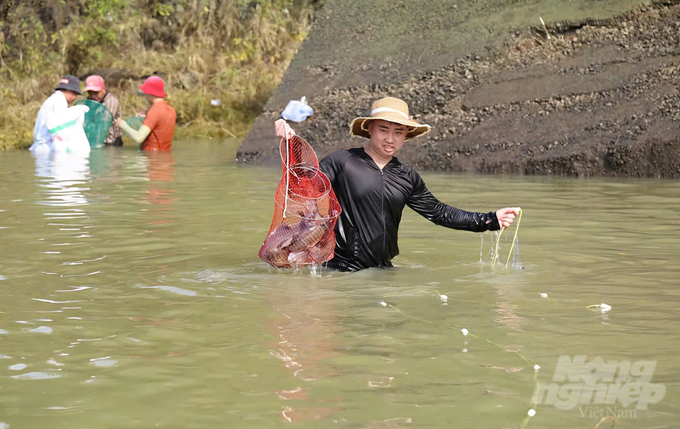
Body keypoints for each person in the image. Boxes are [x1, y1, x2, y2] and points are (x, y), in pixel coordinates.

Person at [275, 97, 519, 272]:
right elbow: (303, 185)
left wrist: (489, 220)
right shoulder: (343, 161)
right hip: (340, 271)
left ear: (406, 136)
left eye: (399, 132)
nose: (390, 139)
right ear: (369, 128)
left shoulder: (406, 176)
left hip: (383, 271)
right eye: (383, 130)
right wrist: (290, 143)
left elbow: (440, 213)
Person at [115, 76, 176, 151]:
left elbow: (139, 138)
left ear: (149, 92)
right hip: (166, 156)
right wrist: (148, 113)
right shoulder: (171, 110)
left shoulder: (154, 111)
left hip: (151, 157)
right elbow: (160, 123)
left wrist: (122, 124)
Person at [31, 75, 82, 151]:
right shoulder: (60, 102)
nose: (75, 98)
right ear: (72, 92)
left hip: (41, 146)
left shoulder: (54, 99)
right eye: (76, 95)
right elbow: (59, 129)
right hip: (47, 148)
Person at [84, 75, 123, 146]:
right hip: (95, 141)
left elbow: (103, 124)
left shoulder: (111, 102)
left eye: (96, 93)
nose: (93, 96)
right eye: (90, 93)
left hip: (111, 143)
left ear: (103, 88)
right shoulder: (90, 100)